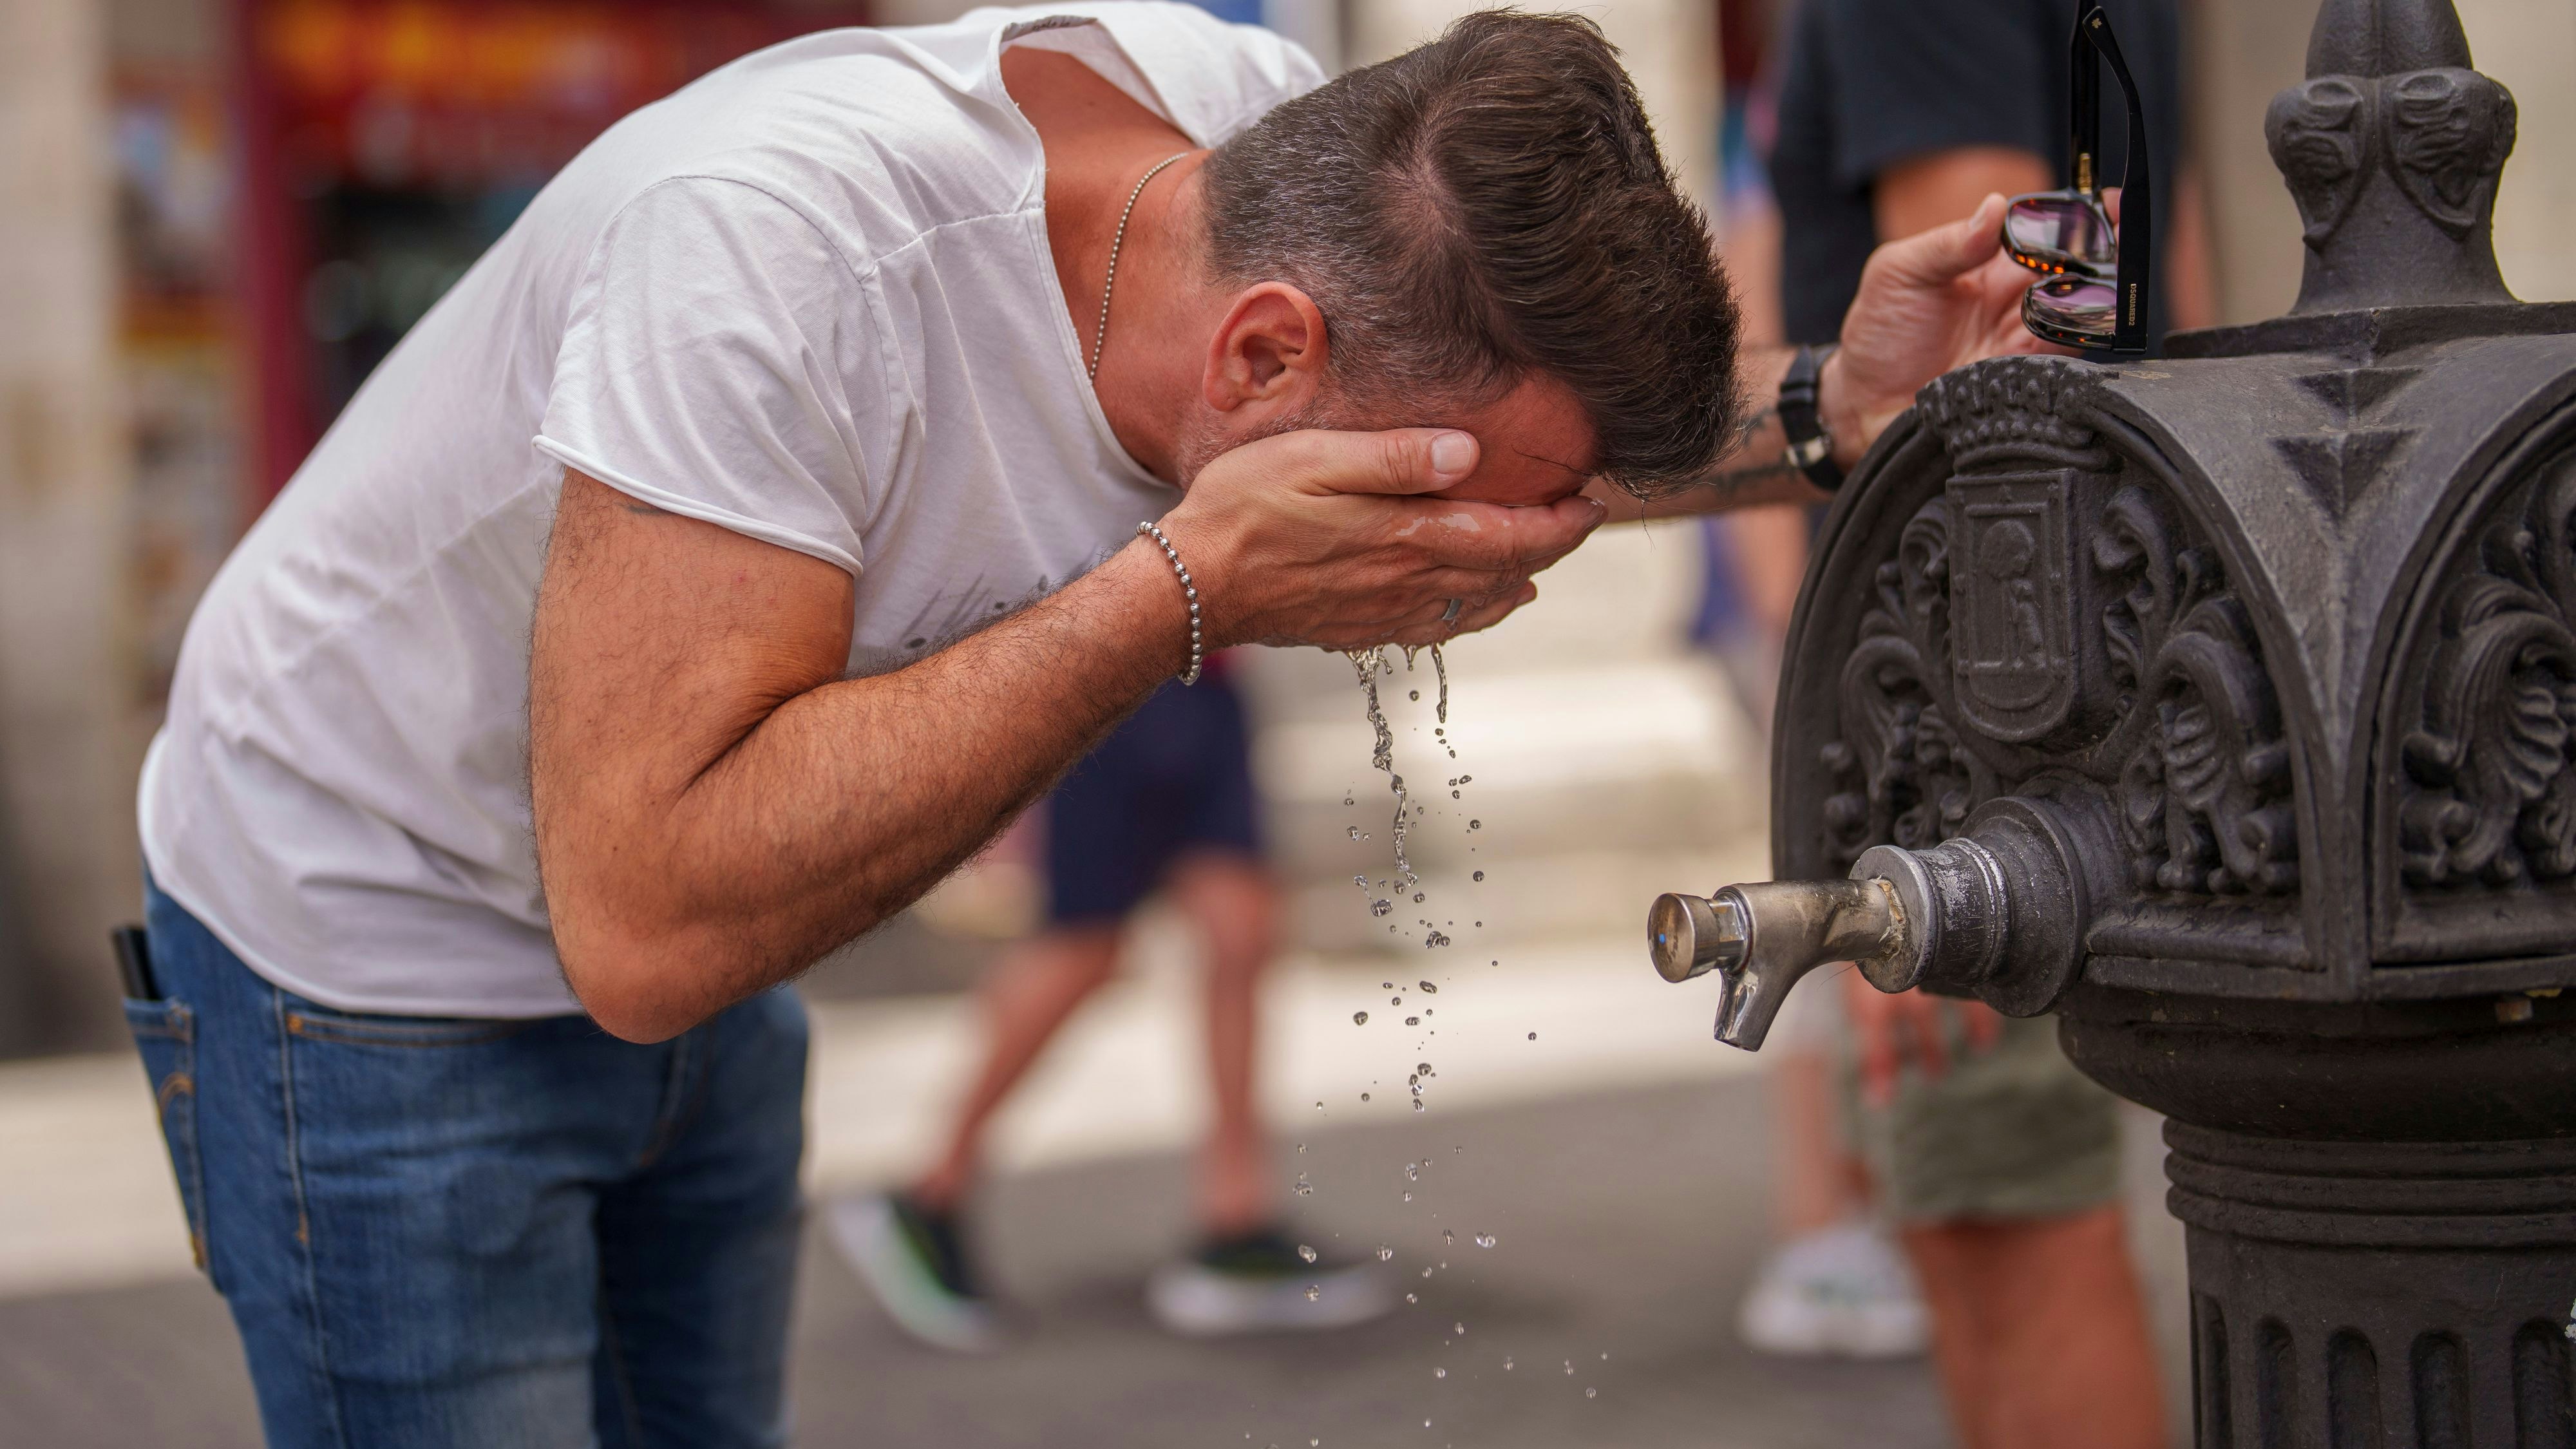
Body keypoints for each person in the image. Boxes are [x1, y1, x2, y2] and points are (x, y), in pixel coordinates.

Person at [125, 2, 2061, 1441]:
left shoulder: (1249, 158)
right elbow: (641, 921)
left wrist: (1822, 413)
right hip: (360, 934)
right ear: (1264, 355)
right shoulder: (776, 268)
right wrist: (1180, 596)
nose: (1479, 560)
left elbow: (1507, 439)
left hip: (695, 918)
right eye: (1438, 500)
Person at [1763, 0, 2215, 1441]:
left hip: (1993, 702)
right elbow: (2145, 283)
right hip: (2102, 653)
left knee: (2003, 1219)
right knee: (2006, 1209)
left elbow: (1988, 346)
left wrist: (1927, 799)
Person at [833, 653, 1390, 1348]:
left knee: (1240, 928)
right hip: (1098, 677)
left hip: (1207, 674)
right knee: (1085, 949)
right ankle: (928, 1194)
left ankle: (1236, 1222)